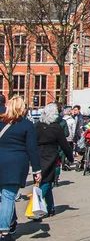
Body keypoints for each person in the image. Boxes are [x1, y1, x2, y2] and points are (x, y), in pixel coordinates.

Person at [0, 96, 42, 240]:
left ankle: (10, 222)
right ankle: (4, 230)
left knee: (4, 196)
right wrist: (37, 170)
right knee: (8, 197)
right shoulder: (26, 125)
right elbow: (32, 149)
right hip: (16, 164)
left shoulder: (1, 121)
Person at [35, 104, 74, 218]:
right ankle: (37, 204)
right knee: (46, 182)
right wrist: (70, 158)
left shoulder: (37, 126)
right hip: (51, 156)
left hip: (38, 156)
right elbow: (64, 144)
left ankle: (51, 208)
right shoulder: (56, 127)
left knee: (44, 180)